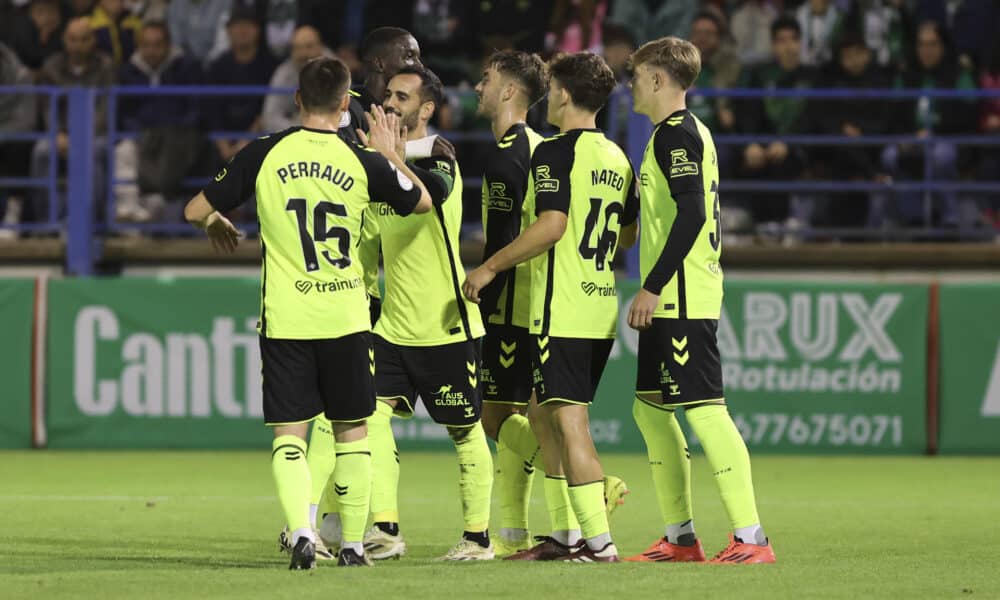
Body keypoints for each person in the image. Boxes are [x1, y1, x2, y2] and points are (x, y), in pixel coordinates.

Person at [183, 56, 432, 569]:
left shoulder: (264, 152)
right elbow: (424, 202)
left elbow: (192, 209)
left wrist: (212, 220)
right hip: (346, 317)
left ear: (296, 100)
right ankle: (357, 545)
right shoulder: (362, 159)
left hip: (287, 317)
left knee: (290, 433)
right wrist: (390, 154)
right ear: (346, 104)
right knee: (352, 432)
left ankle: (301, 531)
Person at [464, 51, 636, 563]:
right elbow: (626, 234)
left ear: (561, 94)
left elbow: (552, 226)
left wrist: (491, 265)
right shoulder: (617, 157)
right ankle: (564, 538)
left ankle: (598, 544)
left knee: (569, 425)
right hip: (600, 304)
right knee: (541, 415)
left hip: (561, 308)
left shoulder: (556, 152)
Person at [622, 36, 775, 564]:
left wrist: (653, 283)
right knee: (649, 411)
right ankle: (681, 537)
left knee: (707, 412)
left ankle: (752, 537)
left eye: (638, 75)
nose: (632, 84)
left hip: (681, 297)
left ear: (660, 79)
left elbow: (691, 215)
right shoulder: (684, 133)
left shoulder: (675, 137)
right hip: (678, 297)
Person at [293, 26, 424, 560]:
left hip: (363, 292)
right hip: (333, 284)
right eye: (405, 56)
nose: (413, 63)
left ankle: (343, 525)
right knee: (352, 415)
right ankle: (330, 522)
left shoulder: (394, 123)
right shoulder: (346, 126)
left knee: (351, 416)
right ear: (376, 64)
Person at [357, 65, 495, 561]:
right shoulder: (380, 164)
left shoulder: (440, 156)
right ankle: (385, 530)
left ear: (428, 108)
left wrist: (385, 154)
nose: (391, 103)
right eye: (387, 94)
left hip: (445, 324)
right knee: (370, 418)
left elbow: (424, 199)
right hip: (393, 325)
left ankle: (478, 538)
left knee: (464, 430)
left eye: (402, 96)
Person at [261, 25, 330, 133]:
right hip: (295, 136)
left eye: (309, 47)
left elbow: (344, 115)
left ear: (320, 47)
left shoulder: (336, 71)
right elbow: (270, 118)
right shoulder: (284, 74)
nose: (303, 54)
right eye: (297, 48)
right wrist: (300, 131)